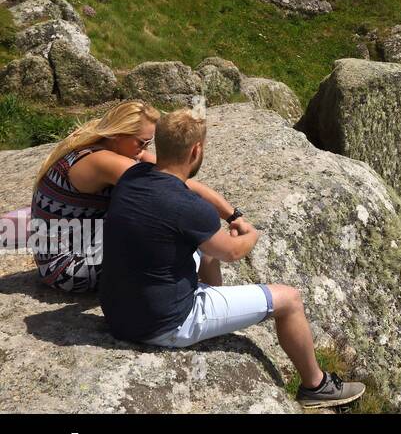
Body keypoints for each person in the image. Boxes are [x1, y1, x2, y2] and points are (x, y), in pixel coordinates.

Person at [98, 108, 365, 408]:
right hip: (163, 324)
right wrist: (250, 232)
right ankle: (316, 386)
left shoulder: (133, 176)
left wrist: (228, 214)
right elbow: (233, 251)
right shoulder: (187, 207)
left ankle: (218, 307)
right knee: (290, 300)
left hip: (118, 315)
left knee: (203, 249)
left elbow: (187, 205)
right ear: (196, 150)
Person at [30, 100, 240, 293]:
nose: (143, 151)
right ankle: (211, 297)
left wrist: (232, 215)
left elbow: (173, 177)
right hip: (67, 268)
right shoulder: (104, 162)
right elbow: (173, 188)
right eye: (142, 143)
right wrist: (230, 218)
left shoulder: (100, 149)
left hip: (59, 257)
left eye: (148, 144)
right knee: (191, 232)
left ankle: (208, 292)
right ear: (117, 135)